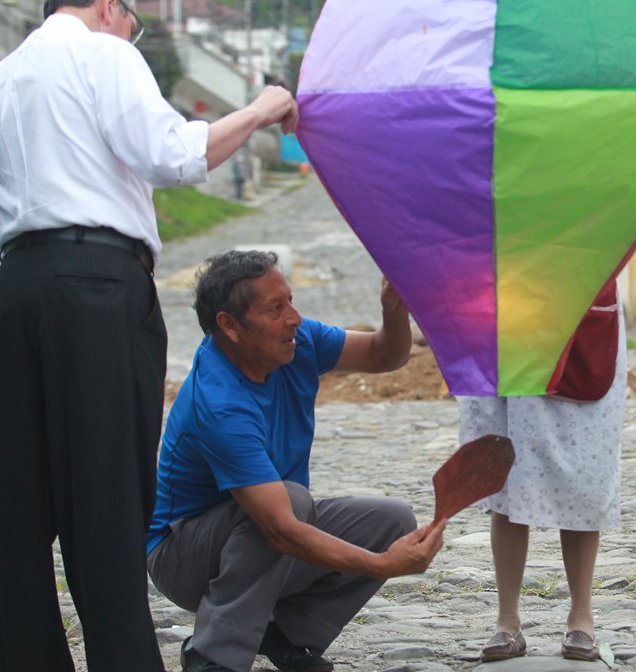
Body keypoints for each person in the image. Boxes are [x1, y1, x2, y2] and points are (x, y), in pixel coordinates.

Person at [0, 0, 299, 672]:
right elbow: (172, 153)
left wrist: (0, 359)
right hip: (98, 287)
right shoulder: (103, 55)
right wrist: (263, 108)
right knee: (106, 494)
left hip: (16, 295)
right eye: (133, 25)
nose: (130, 34)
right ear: (112, 3)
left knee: (13, 508)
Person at [147, 250, 448, 672]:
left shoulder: (295, 339)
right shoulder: (218, 402)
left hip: (265, 526)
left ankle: (289, 636)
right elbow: (281, 529)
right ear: (229, 326)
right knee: (292, 503)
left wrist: (393, 311)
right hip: (181, 557)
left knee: (390, 519)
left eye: (290, 300)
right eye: (275, 308)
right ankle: (213, 655)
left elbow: (384, 356)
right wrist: (385, 565)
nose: (293, 317)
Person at [457, 281, 626, 663]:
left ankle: (581, 618)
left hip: (578, 303)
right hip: (507, 310)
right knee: (506, 470)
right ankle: (507, 621)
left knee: (584, 470)